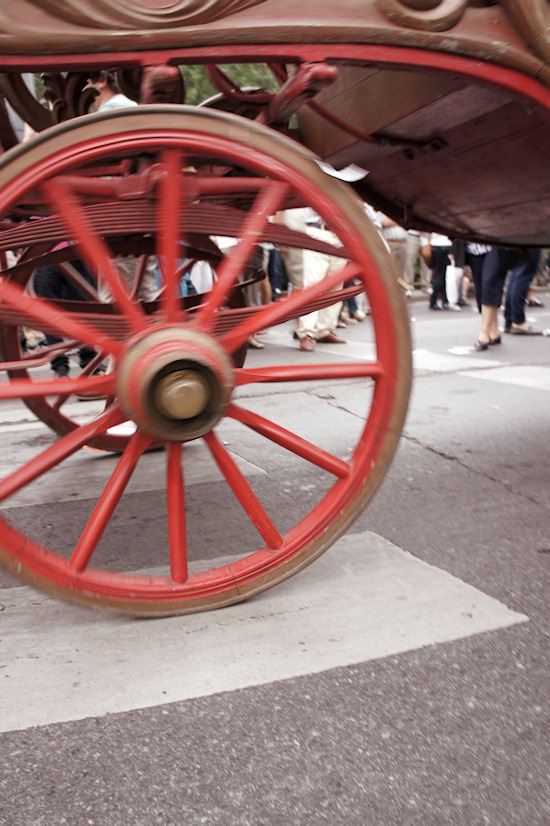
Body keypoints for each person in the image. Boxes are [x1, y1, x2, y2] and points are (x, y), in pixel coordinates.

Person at [279, 208, 346, 351]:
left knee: (335, 286)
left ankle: (324, 330)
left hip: (341, 234)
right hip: (318, 232)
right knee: (312, 285)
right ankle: (306, 333)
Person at [474, 247, 521, 350]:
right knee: (480, 288)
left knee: (489, 282)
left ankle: (484, 333)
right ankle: (494, 330)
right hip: (473, 245)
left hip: (495, 243)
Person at [504, 249, 543, 335]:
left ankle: (510, 319)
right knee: (524, 273)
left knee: (515, 273)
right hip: (529, 239)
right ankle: (518, 321)